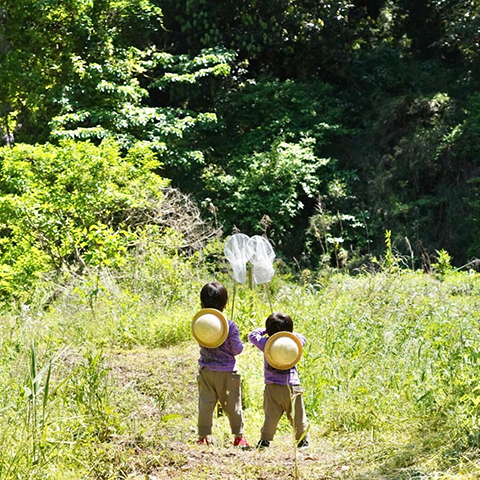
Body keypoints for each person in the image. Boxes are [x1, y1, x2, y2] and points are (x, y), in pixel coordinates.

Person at [196, 281, 250, 448]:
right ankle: (239, 436)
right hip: (227, 373)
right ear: (226, 304)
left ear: (202, 303)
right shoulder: (230, 326)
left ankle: (203, 436)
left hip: (206, 371)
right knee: (233, 405)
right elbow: (236, 350)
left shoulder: (201, 323)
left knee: (205, 404)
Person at [249, 312, 309, 449]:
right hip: (292, 385)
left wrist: (265, 331)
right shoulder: (295, 342)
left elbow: (252, 336)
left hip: (272, 387)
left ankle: (265, 440)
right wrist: (289, 335)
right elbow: (302, 338)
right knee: (298, 416)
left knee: (270, 416)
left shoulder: (266, 344)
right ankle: (302, 440)